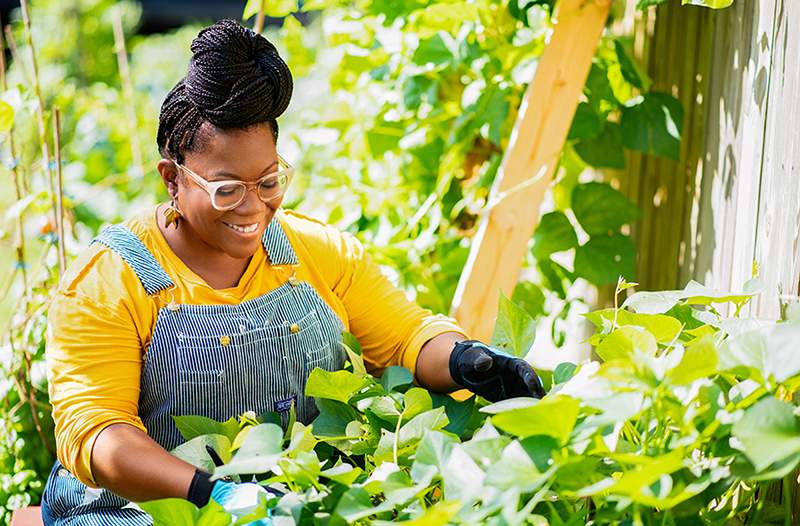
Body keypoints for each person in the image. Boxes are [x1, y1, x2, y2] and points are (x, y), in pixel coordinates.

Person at [40, 19, 545, 526]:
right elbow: (98, 434)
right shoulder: (108, 282)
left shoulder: (314, 251)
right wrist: (208, 495)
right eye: (226, 189)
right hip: (142, 510)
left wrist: (467, 362)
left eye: (268, 181)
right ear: (173, 178)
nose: (252, 207)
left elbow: (404, 341)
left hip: (287, 503)